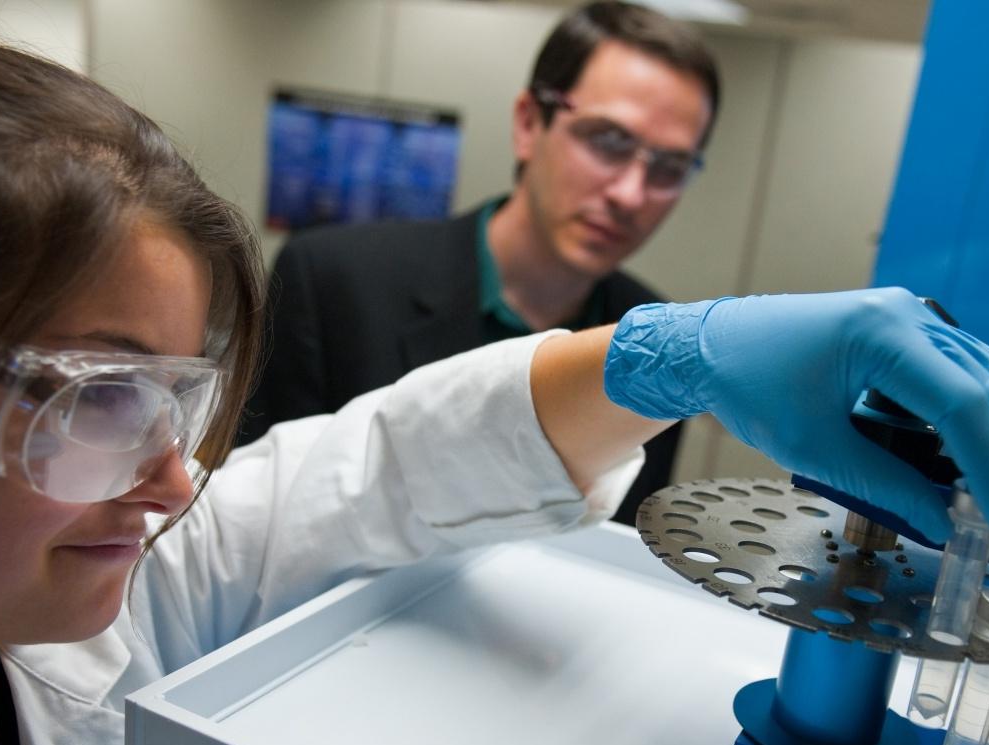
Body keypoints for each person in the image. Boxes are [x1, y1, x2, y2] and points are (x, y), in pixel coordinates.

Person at [0, 27, 989, 745]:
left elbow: (374, 470)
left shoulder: (106, 614)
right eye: (91, 398)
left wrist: (670, 356)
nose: (171, 477)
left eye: (176, 399)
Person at [239, 1, 721, 526]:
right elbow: (255, 521)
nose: (630, 194)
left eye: (669, 168)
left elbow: (615, 551)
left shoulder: (656, 343)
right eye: (608, 141)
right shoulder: (335, 282)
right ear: (529, 123)